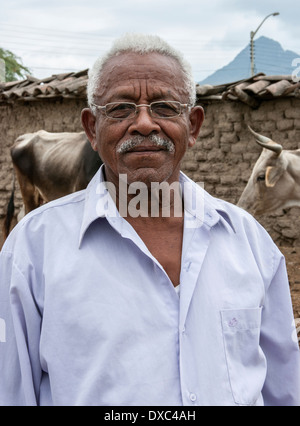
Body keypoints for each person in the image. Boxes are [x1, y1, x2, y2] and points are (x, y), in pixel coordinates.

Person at [0, 33, 299, 407]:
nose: (144, 123)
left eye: (164, 107)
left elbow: (285, 389)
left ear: (193, 126)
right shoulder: (32, 250)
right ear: (92, 129)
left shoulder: (251, 244)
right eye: (122, 108)